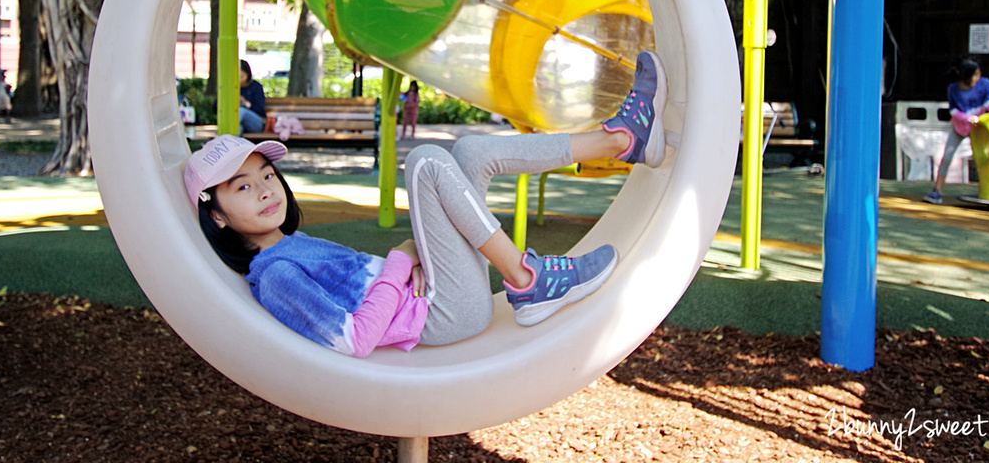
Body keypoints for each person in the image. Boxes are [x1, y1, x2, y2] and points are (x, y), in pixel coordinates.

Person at [184, 50, 667, 357]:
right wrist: (401, 259)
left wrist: (410, 253)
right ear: (218, 214)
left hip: (437, 292)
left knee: (473, 152)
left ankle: (621, 141)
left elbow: (382, 279)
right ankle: (528, 279)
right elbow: (355, 338)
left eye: (267, 175)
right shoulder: (275, 275)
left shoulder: (292, 244)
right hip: (442, 315)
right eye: (242, 186)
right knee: (428, 161)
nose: (267, 188)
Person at [925, 55, 989, 204]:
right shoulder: (953, 89)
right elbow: (953, 111)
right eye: (974, 74)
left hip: (981, 128)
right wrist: (968, 118)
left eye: (979, 73)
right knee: (947, 157)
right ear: (964, 75)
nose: (977, 77)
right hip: (961, 128)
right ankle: (937, 191)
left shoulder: (985, 84)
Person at [237, 59, 267, 136]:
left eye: (241, 76)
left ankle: (219, 139)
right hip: (237, 123)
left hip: (255, 123)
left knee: (240, 110)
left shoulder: (256, 87)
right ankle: (228, 146)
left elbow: (260, 110)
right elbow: (215, 107)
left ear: (247, 74)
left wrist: (245, 103)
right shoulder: (230, 87)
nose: (239, 80)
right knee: (237, 128)